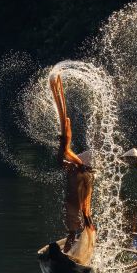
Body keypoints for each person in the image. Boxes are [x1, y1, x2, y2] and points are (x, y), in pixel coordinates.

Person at [50, 74, 96, 254]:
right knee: (73, 230)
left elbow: (63, 161)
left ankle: (66, 254)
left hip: (73, 206)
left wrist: (63, 148)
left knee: (72, 232)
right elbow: (62, 160)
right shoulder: (76, 170)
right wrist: (62, 146)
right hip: (71, 205)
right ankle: (68, 253)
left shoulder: (80, 173)